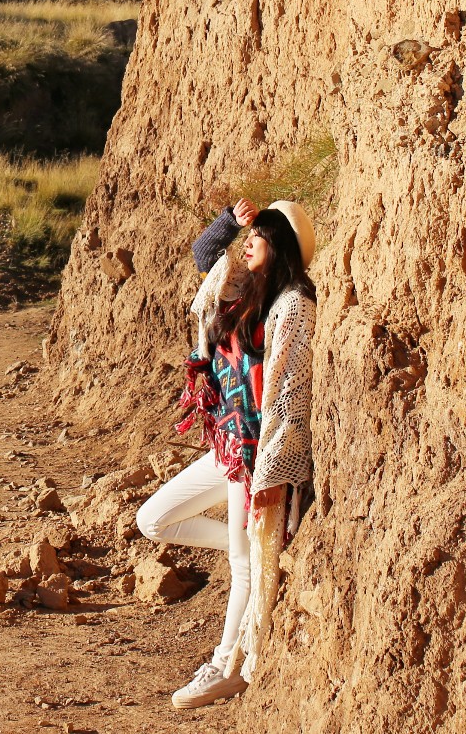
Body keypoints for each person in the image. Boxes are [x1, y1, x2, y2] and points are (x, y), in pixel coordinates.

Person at [135, 196, 317, 710]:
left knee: (241, 562)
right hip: (229, 445)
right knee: (155, 519)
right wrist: (228, 223)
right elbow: (203, 256)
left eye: (260, 233)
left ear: (280, 244)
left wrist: (270, 469)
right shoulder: (242, 293)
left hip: (256, 454)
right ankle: (257, 561)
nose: (250, 240)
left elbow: (287, 393)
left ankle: (227, 666)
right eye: (250, 233)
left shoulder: (293, 305)